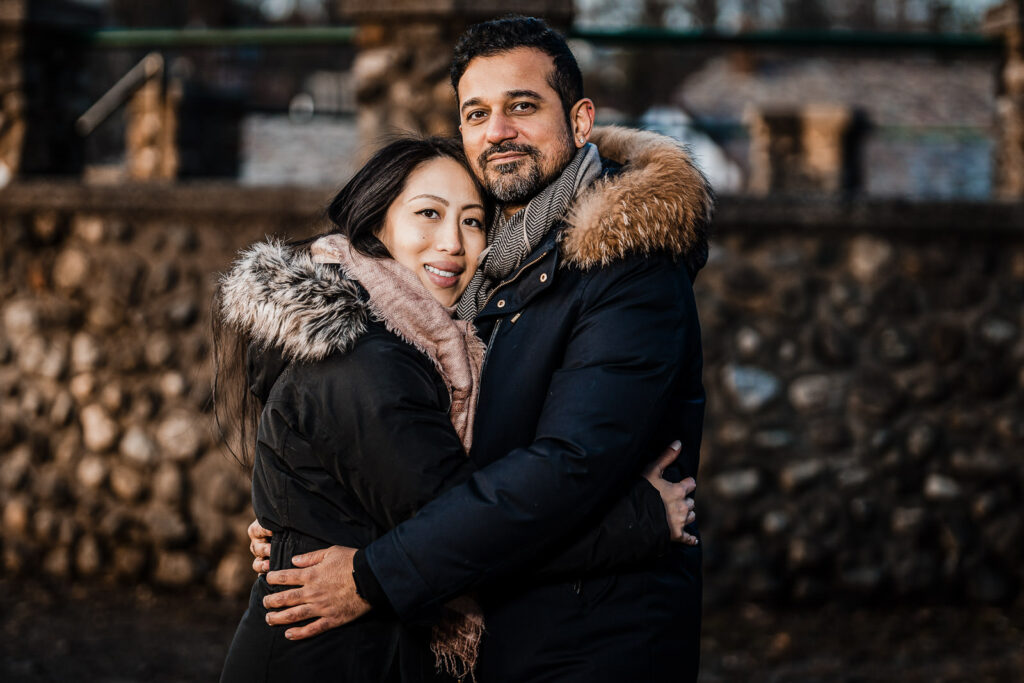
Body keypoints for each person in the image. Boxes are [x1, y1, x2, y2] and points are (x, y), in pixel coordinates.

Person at [253, 17, 713, 683]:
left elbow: (563, 471)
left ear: (580, 121)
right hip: (509, 636)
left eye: (522, 106)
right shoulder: (487, 267)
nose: (497, 130)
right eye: (477, 113)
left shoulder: (628, 269)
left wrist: (372, 570)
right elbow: (423, 457)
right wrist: (302, 518)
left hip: (590, 644)